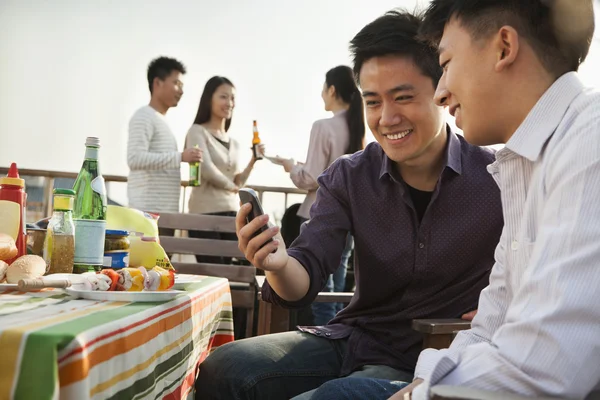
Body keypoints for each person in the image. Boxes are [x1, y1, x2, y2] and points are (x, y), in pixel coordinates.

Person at [195, 10, 504, 400]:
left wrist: (507, 311)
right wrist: (275, 262)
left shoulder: (498, 177)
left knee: (336, 395)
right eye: (373, 102)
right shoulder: (350, 176)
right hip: (354, 338)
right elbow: (305, 273)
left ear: (442, 89)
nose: (387, 118)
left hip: (436, 356)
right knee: (224, 367)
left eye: (403, 97)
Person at [308, 1, 600, 399]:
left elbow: (544, 368)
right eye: (373, 100)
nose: (442, 92)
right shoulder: (521, 167)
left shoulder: (589, 141)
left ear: (503, 48)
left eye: (445, 64)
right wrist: (422, 386)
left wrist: (419, 392)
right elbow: (492, 320)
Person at [277, 65, 365, 325]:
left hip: (321, 215)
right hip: (351, 218)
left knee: (321, 289)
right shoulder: (358, 126)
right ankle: (339, 340)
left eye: (323, 89)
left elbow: (312, 177)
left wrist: (291, 167)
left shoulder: (323, 126)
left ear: (332, 90)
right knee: (337, 291)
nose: (322, 95)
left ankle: (324, 344)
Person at [184, 76, 263, 264]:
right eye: (223, 97)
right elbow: (206, 169)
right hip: (204, 213)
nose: (230, 103)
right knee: (213, 271)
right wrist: (233, 188)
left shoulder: (234, 142)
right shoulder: (197, 131)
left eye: (233, 98)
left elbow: (237, 182)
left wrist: (253, 161)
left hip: (232, 215)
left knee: (232, 271)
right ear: (208, 99)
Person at [127, 56, 203, 239]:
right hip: (147, 214)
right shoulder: (144, 116)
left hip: (162, 214)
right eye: (176, 83)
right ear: (157, 83)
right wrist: (180, 157)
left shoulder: (162, 120)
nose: (181, 91)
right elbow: (134, 158)